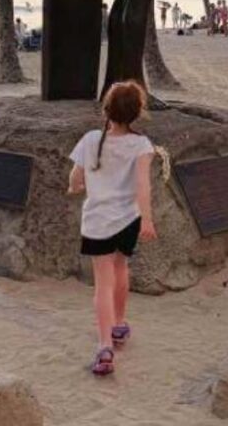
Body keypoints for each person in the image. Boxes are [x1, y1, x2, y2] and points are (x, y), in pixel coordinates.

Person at [67, 81, 156, 376]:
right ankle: (119, 324)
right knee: (121, 269)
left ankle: (104, 344)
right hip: (128, 219)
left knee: (102, 283)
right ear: (137, 113)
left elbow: (76, 177)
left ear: (106, 109)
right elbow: (143, 184)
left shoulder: (91, 140)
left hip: (96, 221)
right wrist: (147, 218)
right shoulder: (141, 145)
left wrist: (74, 186)